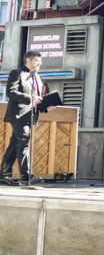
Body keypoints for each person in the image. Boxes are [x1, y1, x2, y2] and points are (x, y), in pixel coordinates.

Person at [1, 51, 54, 186]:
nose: (39, 63)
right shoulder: (17, 73)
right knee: (24, 141)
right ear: (28, 61)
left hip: (30, 115)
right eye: (36, 60)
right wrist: (29, 98)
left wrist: (47, 105)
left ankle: (4, 175)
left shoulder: (37, 77)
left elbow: (39, 98)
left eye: (40, 61)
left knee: (15, 143)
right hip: (18, 114)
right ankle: (26, 176)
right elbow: (11, 92)